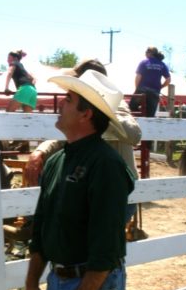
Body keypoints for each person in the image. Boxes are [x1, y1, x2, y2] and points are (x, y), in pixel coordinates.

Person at [24, 69, 134, 290]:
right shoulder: (58, 161)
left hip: (92, 284)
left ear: (86, 114)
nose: (61, 105)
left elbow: (108, 243)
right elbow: (41, 227)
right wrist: (30, 284)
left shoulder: (106, 165)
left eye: (68, 101)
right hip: (59, 282)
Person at [24, 58, 141, 222]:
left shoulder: (117, 104)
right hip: (98, 187)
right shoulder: (81, 108)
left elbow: (133, 134)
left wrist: (99, 114)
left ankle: (38, 227)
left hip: (115, 193)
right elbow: (65, 139)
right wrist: (40, 151)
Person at [129, 46, 171, 117]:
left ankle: (139, 117)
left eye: (146, 52)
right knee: (150, 116)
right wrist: (161, 87)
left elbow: (138, 77)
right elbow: (168, 80)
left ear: (150, 53)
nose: (145, 54)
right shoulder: (162, 64)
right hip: (154, 92)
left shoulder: (144, 62)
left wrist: (137, 89)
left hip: (142, 90)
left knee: (131, 108)